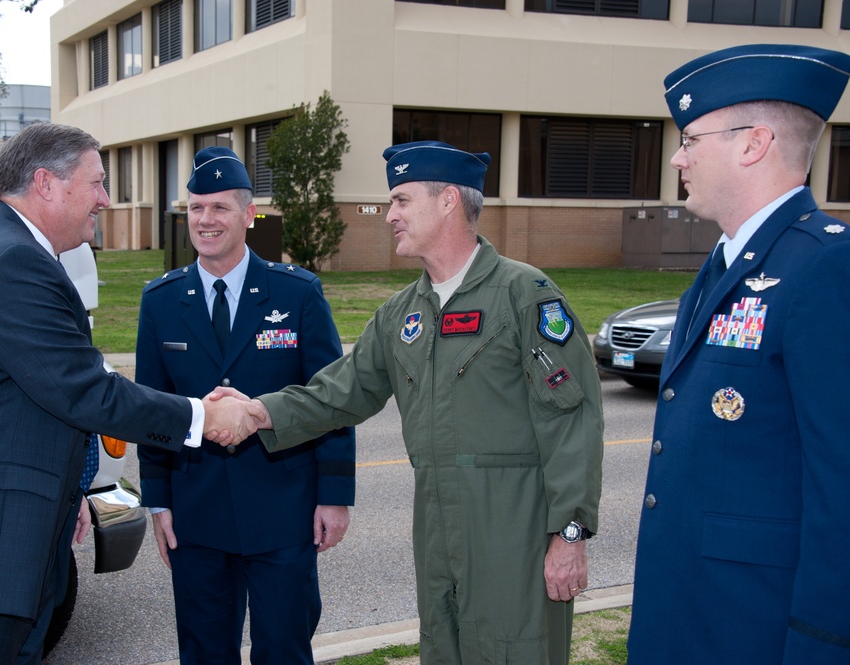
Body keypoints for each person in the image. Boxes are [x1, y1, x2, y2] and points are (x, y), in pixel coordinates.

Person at [0, 123, 259, 665]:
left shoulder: (5, 250)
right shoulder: (10, 261)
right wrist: (202, 417)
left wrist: (69, 491)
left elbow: (29, 401)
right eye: (95, 182)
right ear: (46, 183)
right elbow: (83, 390)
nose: (105, 198)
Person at [212, 141, 604, 665]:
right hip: (436, 525)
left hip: (515, 528)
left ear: (448, 202)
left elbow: (571, 420)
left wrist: (570, 534)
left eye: (401, 200)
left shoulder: (522, 293)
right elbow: (338, 394)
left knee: (517, 652)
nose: (389, 215)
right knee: (443, 649)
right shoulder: (402, 314)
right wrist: (258, 411)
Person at [627, 45, 850, 664]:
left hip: (755, 625)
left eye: (691, 139)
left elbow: (841, 483)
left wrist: (823, 645)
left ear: (753, 143)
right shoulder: (729, 261)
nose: (677, 157)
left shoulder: (827, 265)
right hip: (690, 610)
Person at [135, 146, 355, 664]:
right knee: (205, 652)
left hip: (283, 510)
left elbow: (330, 399)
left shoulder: (295, 294)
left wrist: (335, 494)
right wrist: (158, 502)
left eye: (219, 208)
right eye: (195, 209)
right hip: (197, 513)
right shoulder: (161, 301)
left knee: (283, 649)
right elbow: (152, 412)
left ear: (248, 215)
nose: (205, 220)